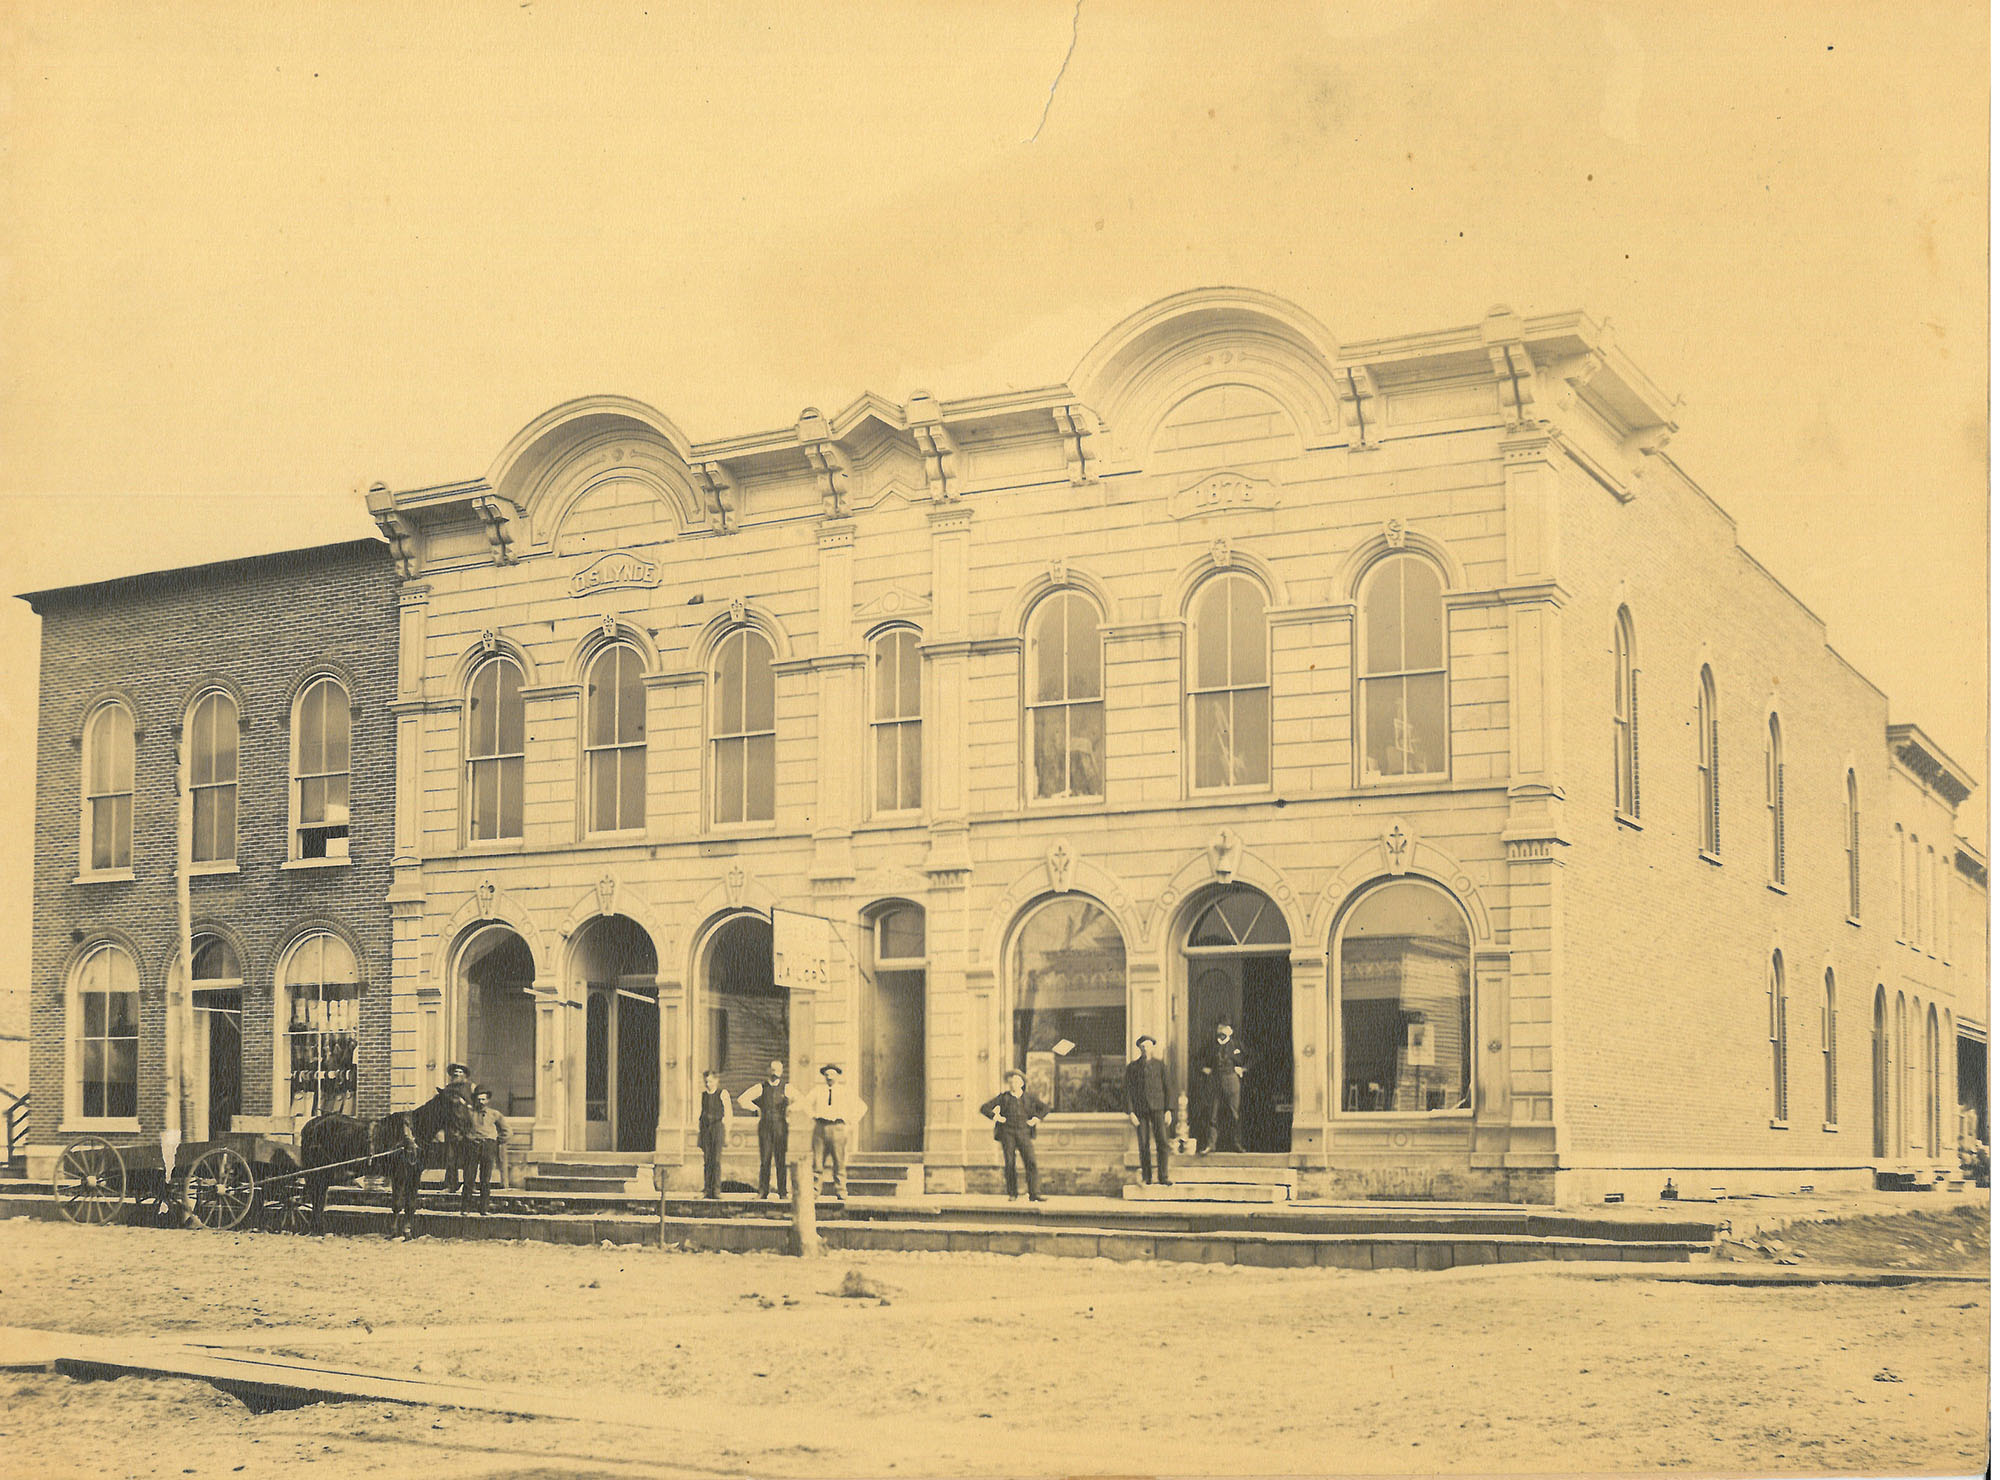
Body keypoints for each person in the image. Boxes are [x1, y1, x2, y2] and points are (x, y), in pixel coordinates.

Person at [979, 1069, 1051, 1202]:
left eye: (1016, 1081)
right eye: (1011, 1082)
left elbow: (1045, 1108)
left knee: (1031, 1161)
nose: (1013, 1084)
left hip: (1024, 1132)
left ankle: (1034, 1193)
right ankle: (1013, 1193)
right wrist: (996, 1117)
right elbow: (984, 1108)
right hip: (1008, 1133)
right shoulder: (1003, 1097)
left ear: (1022, 1083)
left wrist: (1036, 1118)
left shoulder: (1029, 1098)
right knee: (1010, 1162)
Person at [803, 1063, 866, 1200]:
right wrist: (813, 1115)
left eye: (832, 1074)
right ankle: (815, 1191)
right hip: (820, 1127)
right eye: (826, 1075)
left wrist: (850, 1122)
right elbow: (805, 1103)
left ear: (837, 1076)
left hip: (838, 1128)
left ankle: (841, 1190)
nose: (829, 1077)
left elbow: (862, 1107)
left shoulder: (845, 1091)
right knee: (818, 1162)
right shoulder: (817, 1090)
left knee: (839, 1161)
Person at [1123, 1034, 1173, 1186]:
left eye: (1148, 1046)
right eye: (1143, 1046)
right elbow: (1127, 1091)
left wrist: (1169, 1110)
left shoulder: (1160, 1065)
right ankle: (1147, 1177)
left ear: (1152, 1047)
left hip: (1158, 1108)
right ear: (1139, 1048)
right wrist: (1131, 1112)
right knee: (1143, 1144)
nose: (1146, 1049)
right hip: (1140, 1110)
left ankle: (1163, 1177)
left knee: (1162, 1142)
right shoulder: (1132, 1067)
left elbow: (1168, 1088)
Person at [737, 1058, 792, 1199]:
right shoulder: (760, 1087)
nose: (775, 1072)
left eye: (778, 1069)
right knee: (765, 1159)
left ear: (782, 1071)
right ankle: (763, 1191)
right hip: (765, 1126)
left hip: (781, 1126)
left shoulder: (787, 1088)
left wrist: (790, 1109)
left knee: (781, 1160)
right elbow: (742, 1100)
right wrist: (756, 1108)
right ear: (768, 1071)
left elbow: (802, 1101)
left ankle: (783, 1192)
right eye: (773, 1069)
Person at [1200, 1022, 1247, 1154]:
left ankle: (1237, 1143)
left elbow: (1252, 1058)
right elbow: (1197, 1059)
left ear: (1230, 1031)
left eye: (1225, 1028)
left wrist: (1243, 1069)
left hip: (1231, 1080)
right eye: (1220, 1028)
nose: (1222, 1031)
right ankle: (1211, 1144)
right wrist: (1204, 1068)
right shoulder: (1211, 1046)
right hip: (1214, 1081)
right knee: (1212, 1114)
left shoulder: (1237, 1045)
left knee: (1234, 1114)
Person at [461, 1088, 509, 1216]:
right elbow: (459, 1129)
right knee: (469, 1178)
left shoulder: (494, 1114)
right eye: (479, 1099)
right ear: (475, 1099)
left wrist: (496, 1141)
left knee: (485, 1179)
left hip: (488, 1147)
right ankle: (465, 1208)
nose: (481, 1101)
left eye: (483, 1099)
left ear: (488, 1100)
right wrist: (467, 1138)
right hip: (472, 1146)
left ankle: (484, 1208)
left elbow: (507, 1131)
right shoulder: (469, 1113)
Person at [441, 1062, 479, 1194]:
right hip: (451, 1128)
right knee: (451, 1159)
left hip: (468, 1128)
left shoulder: (471, 1087)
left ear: (465, 1075)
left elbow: (477, 1106)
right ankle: (451, 1185)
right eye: (455, 1073)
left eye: (460, 1072)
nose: (457, 1075)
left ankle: (470, 1186)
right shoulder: (447, 1090)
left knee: (469, 1158)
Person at [698, 1069, 731, 1200]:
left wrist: (726, 1133)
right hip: (706, 1130)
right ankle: (707, 1189)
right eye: (706, 1081)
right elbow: (699, 1116)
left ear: (716, 1081)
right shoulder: (702, 1096)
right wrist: (699, 1135)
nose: (708, 1084)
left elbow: (728, 1114)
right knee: (707, 1161)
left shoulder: (723, 1094)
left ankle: (716, 1190)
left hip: (718, 1128)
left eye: (710, 1081)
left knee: (716, 1160)